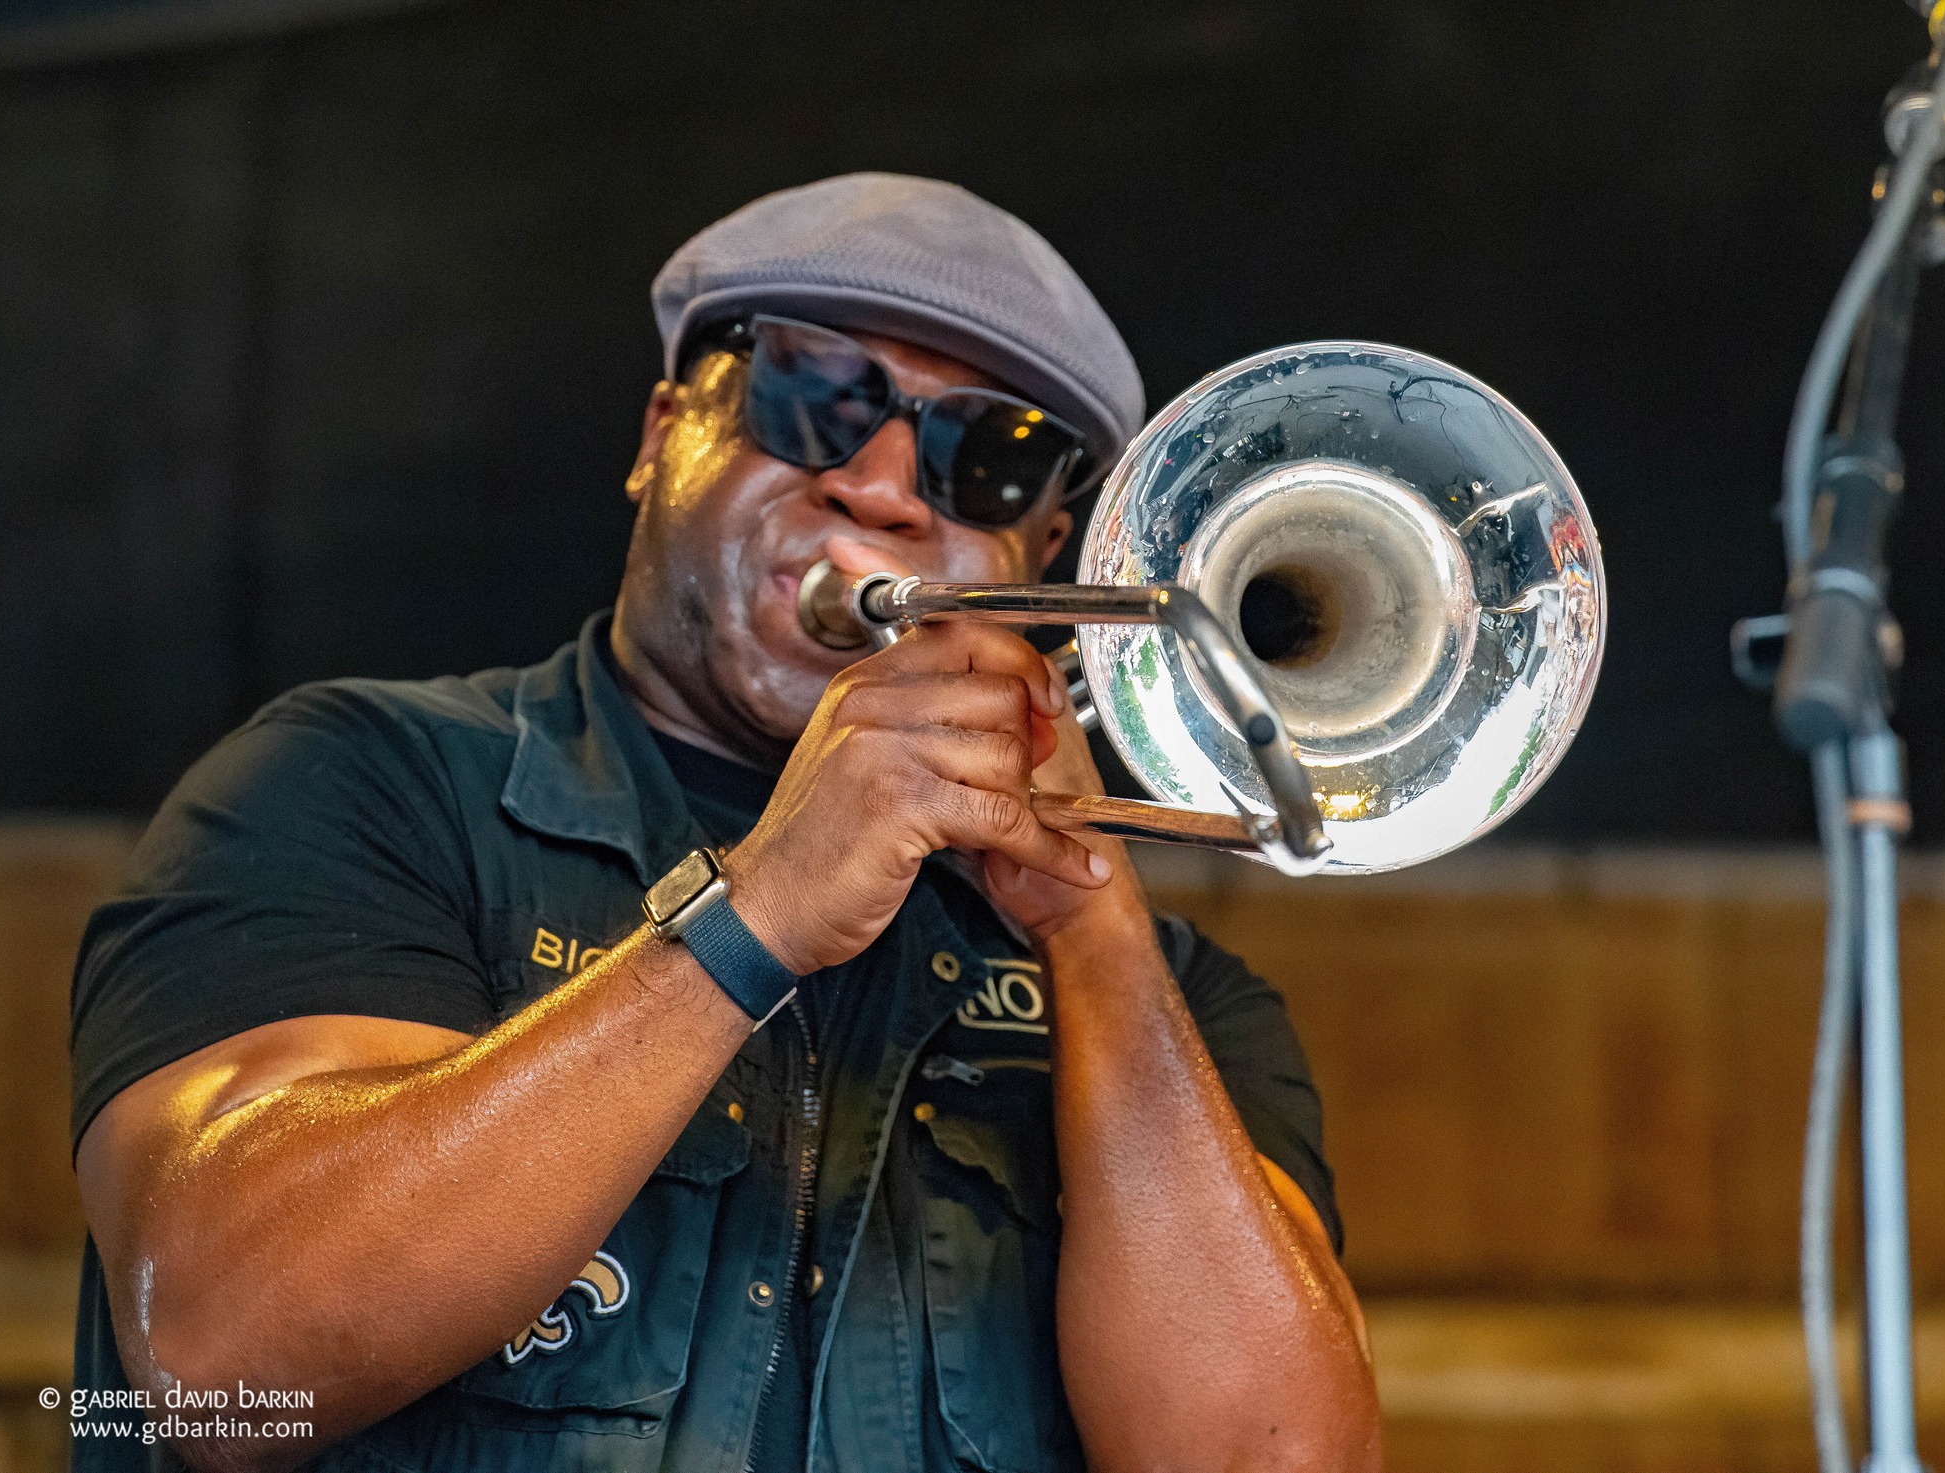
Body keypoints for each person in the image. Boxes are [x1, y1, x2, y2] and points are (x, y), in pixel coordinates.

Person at [70, 172, 1381, 1473]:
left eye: (986, 459)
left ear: (1040, 556)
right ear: (659, 439)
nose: (880, 490)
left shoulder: (1181, 1000)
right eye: (812, 393)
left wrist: (1090, 918)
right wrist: (754, 917)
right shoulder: (366, 785)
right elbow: (221, 1363)